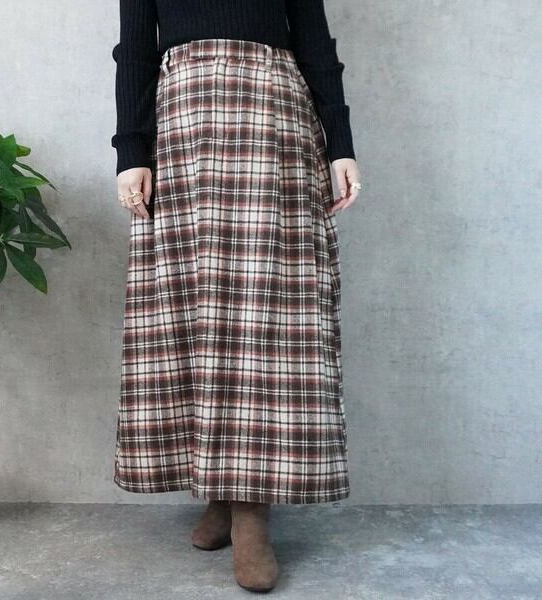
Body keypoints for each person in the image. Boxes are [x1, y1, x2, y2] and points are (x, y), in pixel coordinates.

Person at [111, 0, 362, 593]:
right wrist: (131, 153)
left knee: (264, 315)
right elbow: (135, 51)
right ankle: (222, 492)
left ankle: (251, 512)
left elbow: (316, 45)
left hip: (274, 121)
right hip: (185, 124)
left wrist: (341, 145)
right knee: (196, 310)